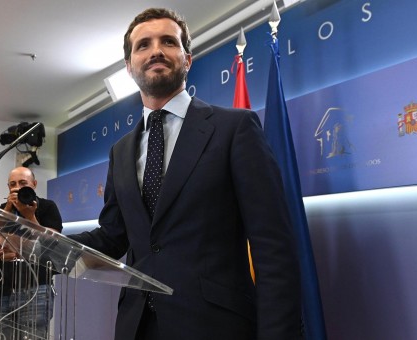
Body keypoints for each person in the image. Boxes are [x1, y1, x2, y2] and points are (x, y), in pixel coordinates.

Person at [67, 8, 301, 340]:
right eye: (143, 45)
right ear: (130, 66)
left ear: (187, 59)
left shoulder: (234, 129)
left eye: (168, 42)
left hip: (216, 327)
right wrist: (40, 239)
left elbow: (273, 246)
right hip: (137, 327)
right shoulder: (120, 151)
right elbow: (113, 235)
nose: (156, 51)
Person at [0, 166, 63, 339]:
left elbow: (52, 241)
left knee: (34, 335)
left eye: (23, 183)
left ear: (34, 184)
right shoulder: (4, 209)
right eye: (12, 184)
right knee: (5, 335)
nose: (17, 187)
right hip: (6, 288)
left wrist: (30, 216)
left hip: (37, 288)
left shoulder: (47, 206)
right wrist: (7, 207)